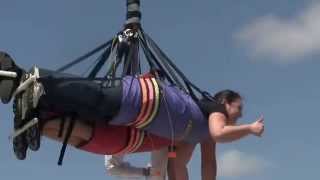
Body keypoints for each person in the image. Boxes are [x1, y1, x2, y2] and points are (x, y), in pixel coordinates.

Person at [0, 52, 264, 178]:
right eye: (237, 109)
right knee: (95, 97)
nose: (238, 116)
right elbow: (221, 132)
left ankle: (36, 113)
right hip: (147, 98)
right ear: (225, 102)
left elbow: (194, 166)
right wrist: (250, 129)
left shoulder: (199, 135)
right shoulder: (214, 111)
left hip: (139, 116)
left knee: (91, 110)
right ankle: (20, 75)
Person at [167, 90, 264, 180]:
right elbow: (218, 133)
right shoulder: (219, 107)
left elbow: (208, 163)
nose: (241, 114)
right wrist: (250, 128)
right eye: (239, 107)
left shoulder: (203, 119)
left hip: (168, 135)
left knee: (175, 161)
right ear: (225, 102)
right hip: (171, 133)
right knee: (175, 161)